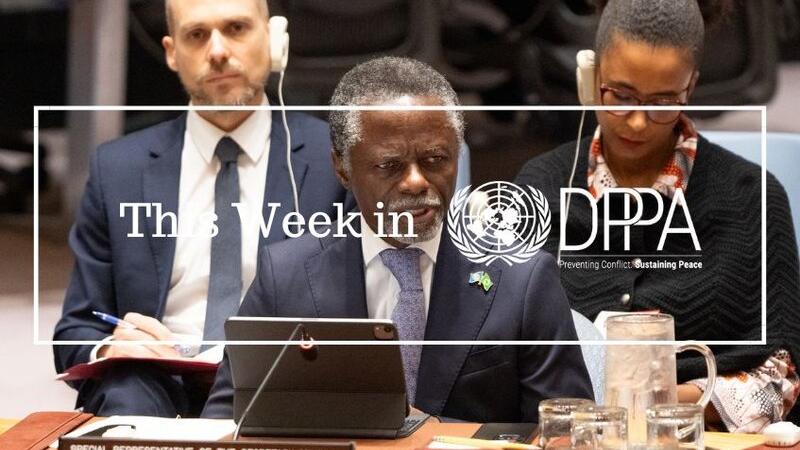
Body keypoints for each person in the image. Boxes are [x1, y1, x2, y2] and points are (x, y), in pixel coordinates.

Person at [202, 56, 594, 422]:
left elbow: (567, 433)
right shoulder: (284, 278)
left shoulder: (523, 280)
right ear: (342, 168)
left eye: (435, 160)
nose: (416, 182)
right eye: (389, 165)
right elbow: (225, 424)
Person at [53, 0, 352, 417]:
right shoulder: (117, 168)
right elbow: (76, 329)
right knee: (126, 394)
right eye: (196, 35)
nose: (217, 51)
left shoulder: (334, 160)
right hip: (151, 383)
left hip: (278, 380)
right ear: (172, 52)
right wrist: (110, 346)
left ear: (273, 39)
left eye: (236, 28)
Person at [515, 0, 800, 431]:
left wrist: (647, 406)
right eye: (620, 95)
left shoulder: (753, 198)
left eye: (663, 102)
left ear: (691, 86)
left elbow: (779, 380)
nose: (637, 122)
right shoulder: (538, 187)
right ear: (589, 78)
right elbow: (500, 347)